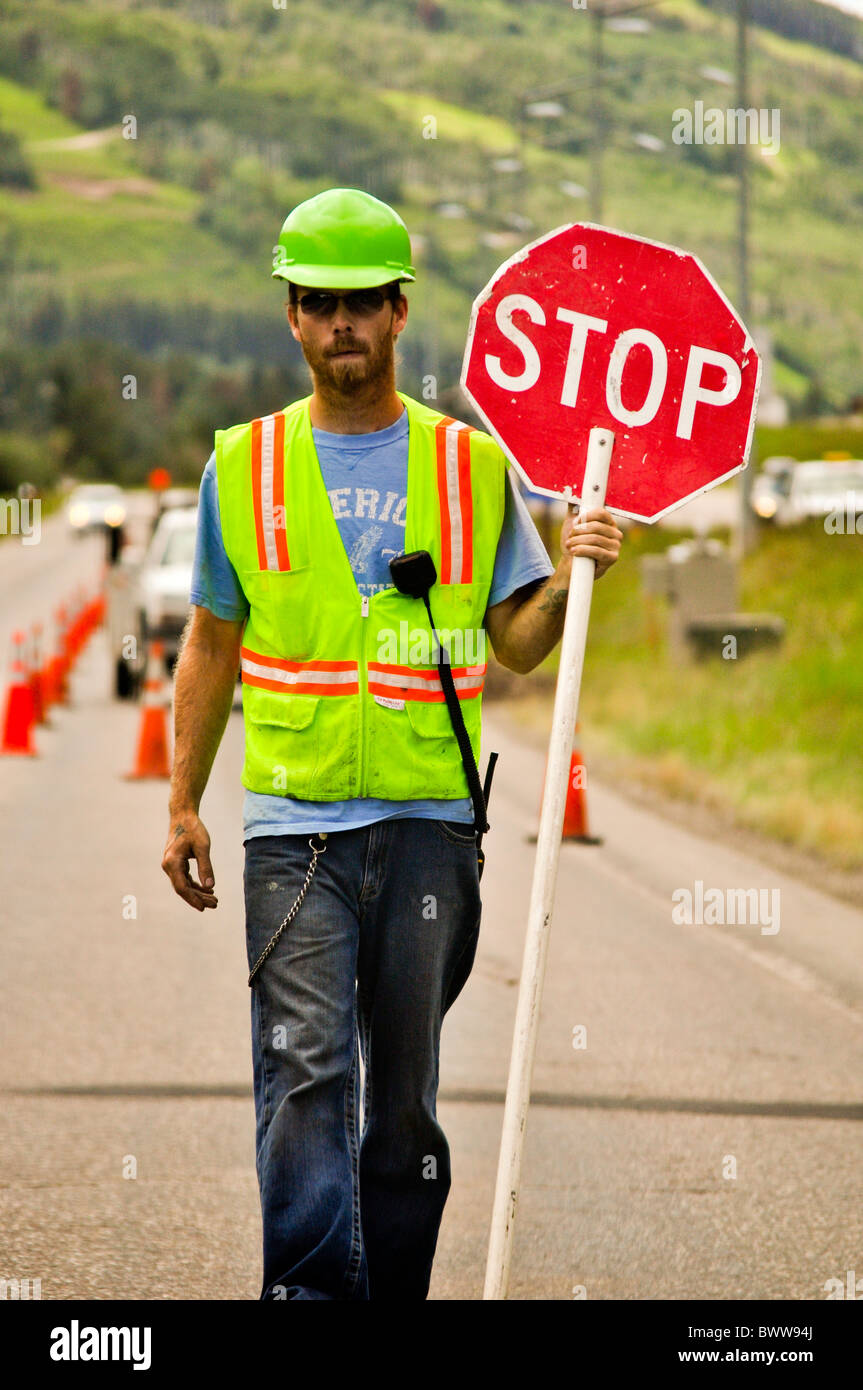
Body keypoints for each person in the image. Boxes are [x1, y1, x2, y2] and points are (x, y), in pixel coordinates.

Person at [161, 187, 622, 1300]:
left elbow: (512, 642)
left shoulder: (468, 468)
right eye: (319, 305)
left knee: (402, 1098)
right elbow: (211, 643)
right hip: (294, 831)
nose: (341, 325)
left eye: (362, 302)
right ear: (291, 317)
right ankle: (312, 1293)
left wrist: (568, 581)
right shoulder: (246, 465)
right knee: (306, 1072)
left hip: (426, 828)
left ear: (400, 309)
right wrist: (181, 802)